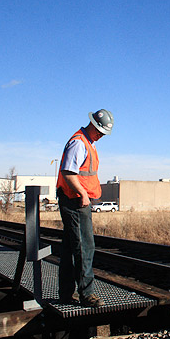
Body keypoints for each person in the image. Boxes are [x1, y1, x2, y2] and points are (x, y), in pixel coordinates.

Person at [56, 109, 113, 307]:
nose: (101, 136)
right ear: (94, 126)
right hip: (75, 201)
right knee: (84, 247)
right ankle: (87, 294)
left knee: (71, 248)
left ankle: (65, 294)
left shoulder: (89, 142)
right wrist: (82, 194)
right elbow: (68, 173)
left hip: (75, 200)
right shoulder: (79, 142)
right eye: (100, 132)